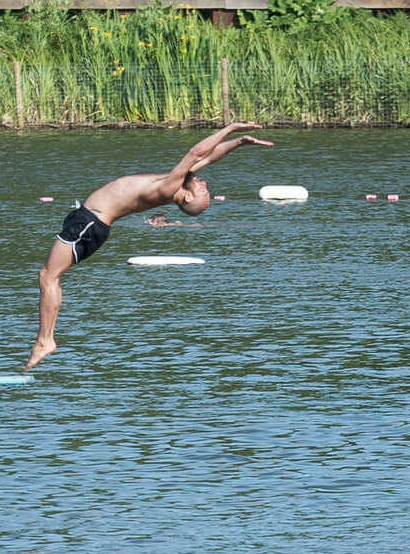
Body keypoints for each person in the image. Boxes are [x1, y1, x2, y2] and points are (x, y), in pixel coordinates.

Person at [27, 120, 274, 369]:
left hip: (89, 224)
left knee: (48, 277)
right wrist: (238, 143)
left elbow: (196, 153)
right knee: (49, 277)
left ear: (187, 196)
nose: (205, 184)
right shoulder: (176, 182)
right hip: (89, 223)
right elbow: (208, 159)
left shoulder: (168, 188)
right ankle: (45, 339)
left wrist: (229, 129)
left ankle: (45, 341)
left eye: (203, 191)